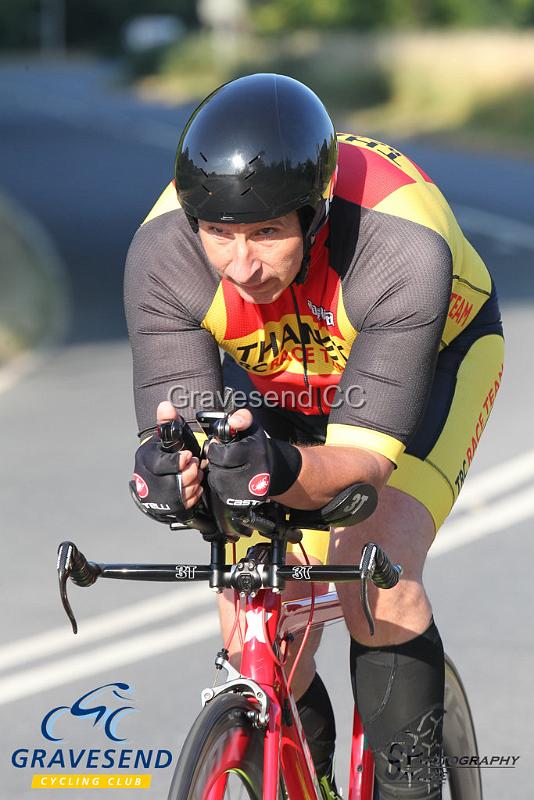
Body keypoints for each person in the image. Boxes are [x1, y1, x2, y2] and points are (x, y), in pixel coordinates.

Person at [125, 73, 504, 799]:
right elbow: (176, 427)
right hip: (275, 386)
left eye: (267, 232)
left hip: (428, 370)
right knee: (255, 624)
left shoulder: (398, 244)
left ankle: (408, 787)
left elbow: (362, 465)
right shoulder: (163, 254)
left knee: (376, 574)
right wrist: (173, 472)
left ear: (316, 214)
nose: (240, 265)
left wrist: (276, 466)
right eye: (220, 235)